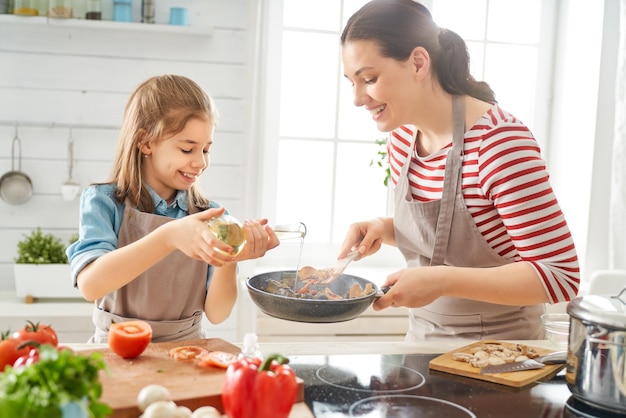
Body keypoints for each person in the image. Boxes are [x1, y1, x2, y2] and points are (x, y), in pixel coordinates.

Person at [338, 0, 580, 341]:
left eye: (369, 79)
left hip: (501, 361)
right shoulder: (404, 138)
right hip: (422, 348)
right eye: (352, 82)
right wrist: (385, 228)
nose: (358, 98)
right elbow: (448, 235)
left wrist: (441, 280)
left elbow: (559, 275)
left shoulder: (499, 143)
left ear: (419, 63)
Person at [67, 74, 280, 343]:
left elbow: (217, 313)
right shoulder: (104, 202)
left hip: (188, 351)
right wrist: (169, 236)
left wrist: (229, 258)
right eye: (187, 149)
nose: (200, 162)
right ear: (145, 143)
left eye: (206, 150)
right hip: (115, 350)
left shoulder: (210, 215)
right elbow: (91, 285)